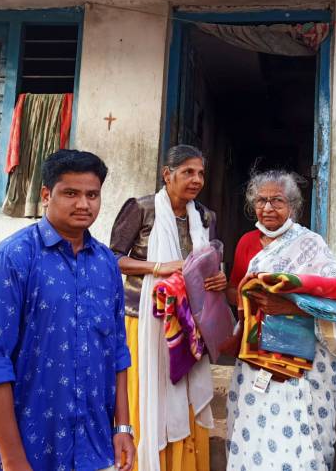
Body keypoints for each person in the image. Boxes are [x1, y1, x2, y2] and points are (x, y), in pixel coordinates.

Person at [0, 149, 134, 471]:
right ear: (46, 194)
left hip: (94, 450)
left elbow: (117, 352)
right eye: (70, 193)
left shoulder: (106, 265)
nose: (83, 204)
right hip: (28, 452)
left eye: (92, 195)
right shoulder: (10, 261)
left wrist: (122, 428)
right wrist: (14, 461)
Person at [109, 144, 227, 471]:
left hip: (189, 325)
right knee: (147, 397)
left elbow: (209, 263)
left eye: (201, 173)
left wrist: (218, 278)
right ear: (167, 174)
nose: (196, 180)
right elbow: (113, 259)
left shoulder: (204, 217)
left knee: (183, 396)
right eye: (188, 172)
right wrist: (157, 266)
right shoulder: (141, 209)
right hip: (143, 319)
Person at [226, 170, 336, 471]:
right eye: (262, 200)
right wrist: (249, 304)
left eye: (277, 201)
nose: (268, 208)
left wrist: (288, 306)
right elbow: (235, 288)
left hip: (299, 359)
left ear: (291, 206)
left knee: (296, 429)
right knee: (254, 426)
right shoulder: (246, 242)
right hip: (256, 354)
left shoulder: (311, 244)